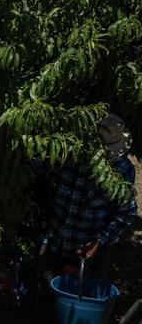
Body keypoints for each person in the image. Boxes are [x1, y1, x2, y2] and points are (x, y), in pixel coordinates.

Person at [37, 113, 137, 282]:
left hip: (89, 252)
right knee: (48, 294)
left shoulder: (121, 170)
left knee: (84, 298)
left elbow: (126, 211)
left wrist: (100, 241)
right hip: (56, 240)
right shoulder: (67, 156)